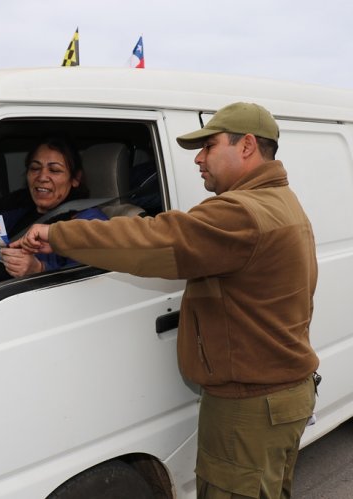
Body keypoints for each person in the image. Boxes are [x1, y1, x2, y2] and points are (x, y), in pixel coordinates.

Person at [16, 103, 319, 498]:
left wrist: (58, 235)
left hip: (249, 407)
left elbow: (156, 240)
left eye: (209, 146)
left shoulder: (242, 213)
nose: (199, 158)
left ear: (246, 146)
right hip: (279, 397)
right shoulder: (280, 200)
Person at [0, 137, 108, 290]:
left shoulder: (89, 223)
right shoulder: (13, 218)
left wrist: (40, 269)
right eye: (35, 168)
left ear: (75, 179)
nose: (41, 177)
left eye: (54, 170)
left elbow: (87, 286)